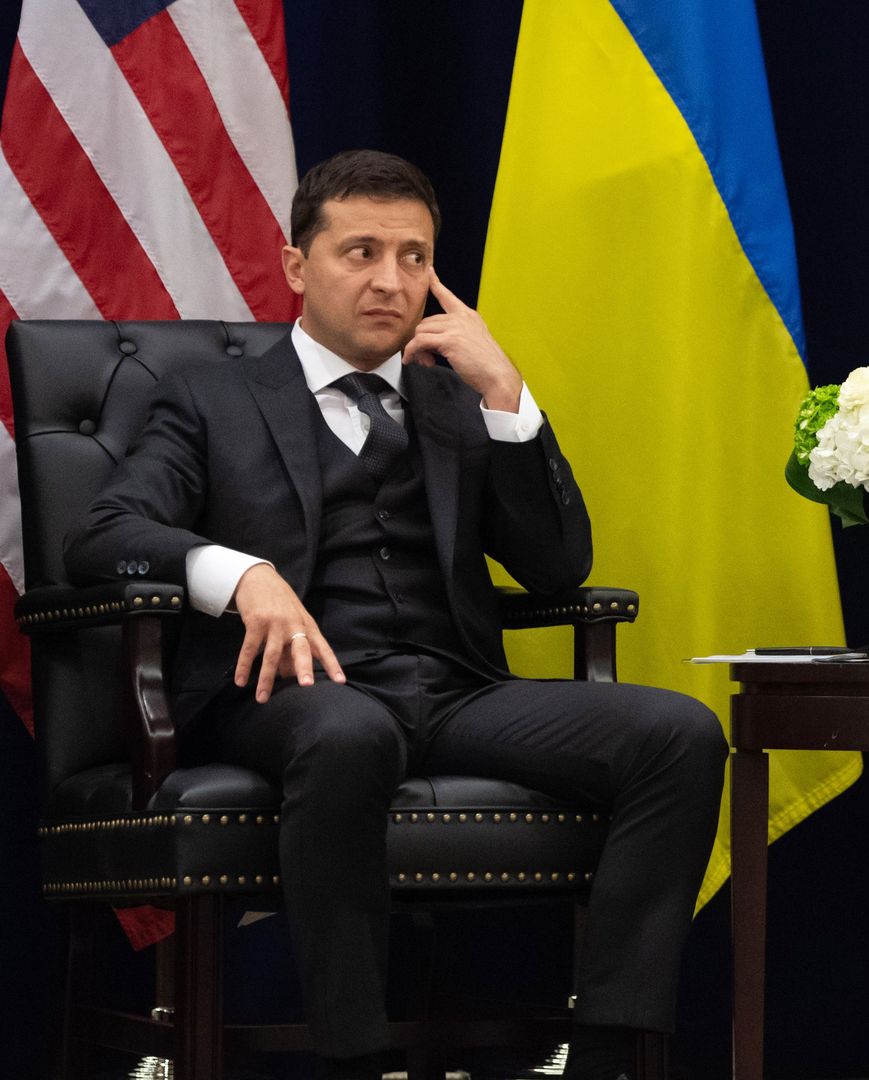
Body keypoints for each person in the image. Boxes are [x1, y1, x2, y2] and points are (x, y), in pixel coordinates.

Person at [67, 150, 727, 1080]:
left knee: (680, 734)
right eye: (361, 251)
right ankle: (355, 1056)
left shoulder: (457, 400)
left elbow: (556, 565)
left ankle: (607, 1048)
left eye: (414, 257)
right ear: (299, 267)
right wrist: (238, 571)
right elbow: (102, 534)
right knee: (347, 734)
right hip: (290, 694)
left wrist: (509, 399)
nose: (391, 279)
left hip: (454, 690)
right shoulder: (211, 399)